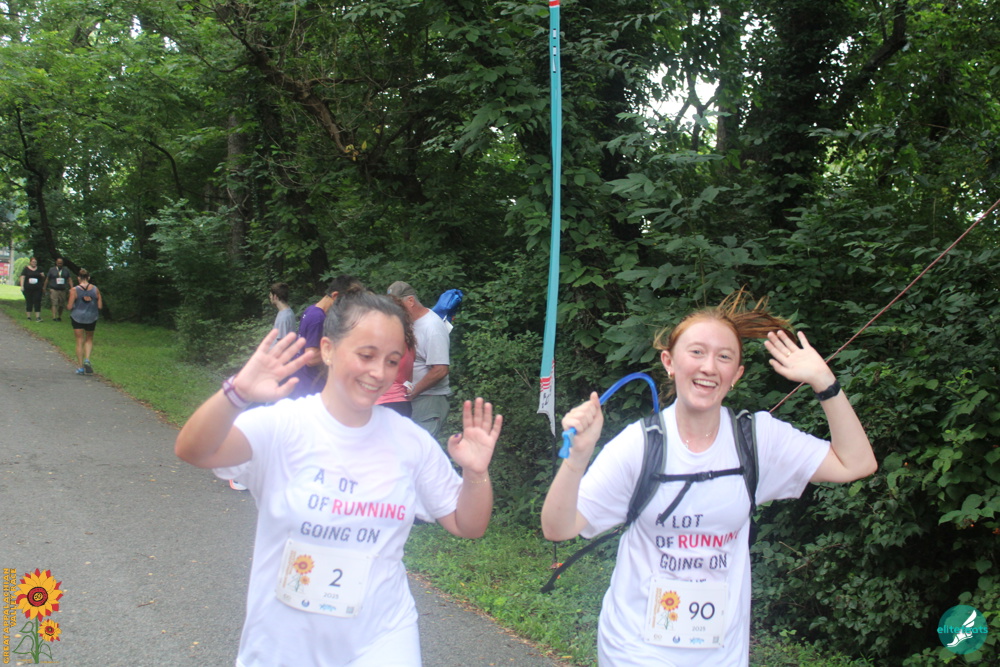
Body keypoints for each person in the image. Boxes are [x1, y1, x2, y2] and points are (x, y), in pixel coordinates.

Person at [540, 291, 877, 666]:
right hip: (634, 651)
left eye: (724, 357)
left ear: (737, 375)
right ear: (669, 362)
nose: (709, 367)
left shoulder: (757, 440)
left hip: (721, 656)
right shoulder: (640, 444)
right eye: (696, 352)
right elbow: (558, 528)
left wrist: (824, 382)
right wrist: (576, 461)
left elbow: (856, 463)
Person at [174, 289, 503, 667]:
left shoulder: (410, 441)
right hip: (283, 642)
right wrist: (238, 393)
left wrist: (475, 473)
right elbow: (194, 450)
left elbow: (467, 524)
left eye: (392, 360)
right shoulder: (283, 426)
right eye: (366, 355)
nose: (379, 372)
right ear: (328, 349)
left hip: (381, 637)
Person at [388, 281, 451, 438]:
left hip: (427, 400)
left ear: (410, 301)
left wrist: (412, 393)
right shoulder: (410, 323)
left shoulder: (432, 327)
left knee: (420, 449)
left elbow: (440, 369)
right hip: (411, 400)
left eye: (397, 306)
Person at [287, 275, 363, 399]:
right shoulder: (318, 318)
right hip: (310, 386)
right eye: (346, 304)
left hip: (302, 379)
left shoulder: (311, 310)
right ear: (335, 296)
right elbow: (311, 358)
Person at [375, 296, 416, 418]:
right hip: (402, 403)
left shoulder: (388, 340)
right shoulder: (408, 341)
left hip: (384, 403)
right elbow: (408, 377)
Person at [66, 269, 103, 375]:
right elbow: (100, 306)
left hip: (77, 317)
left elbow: (69, 306)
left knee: (79, 340)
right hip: (91, 317)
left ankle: (80, 367)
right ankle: (87, 359)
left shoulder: (74, 290)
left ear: (78, 278)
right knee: (89, 339)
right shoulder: (95, 289)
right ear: (89, 277)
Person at [43, 257, 72, 322]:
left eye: (61, 263)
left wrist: (72, 288)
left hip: (62, 290)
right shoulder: (52, 270)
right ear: (56, 263)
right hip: (54, 289)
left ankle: (59, 316)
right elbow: (47, 279)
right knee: (54, 303)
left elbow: (69, 279)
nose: (59, 264)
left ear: (63, 263)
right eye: (58, 263)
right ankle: (54, 317)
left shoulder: (66, 270)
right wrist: (44, 287)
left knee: (61, 304)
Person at [18, 257, 45, 322]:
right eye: (33, 262)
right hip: (28, 288)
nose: (34, 263)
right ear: (30, 262)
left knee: (37, 301)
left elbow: (43, 278)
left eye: (35, 262)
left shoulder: (39, 269)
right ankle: (28, 317)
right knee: (29, 301)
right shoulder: (26, 269)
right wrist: (22, 286)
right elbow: (22, 277)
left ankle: (38, 317)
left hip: (37, 288)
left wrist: (43, 276)